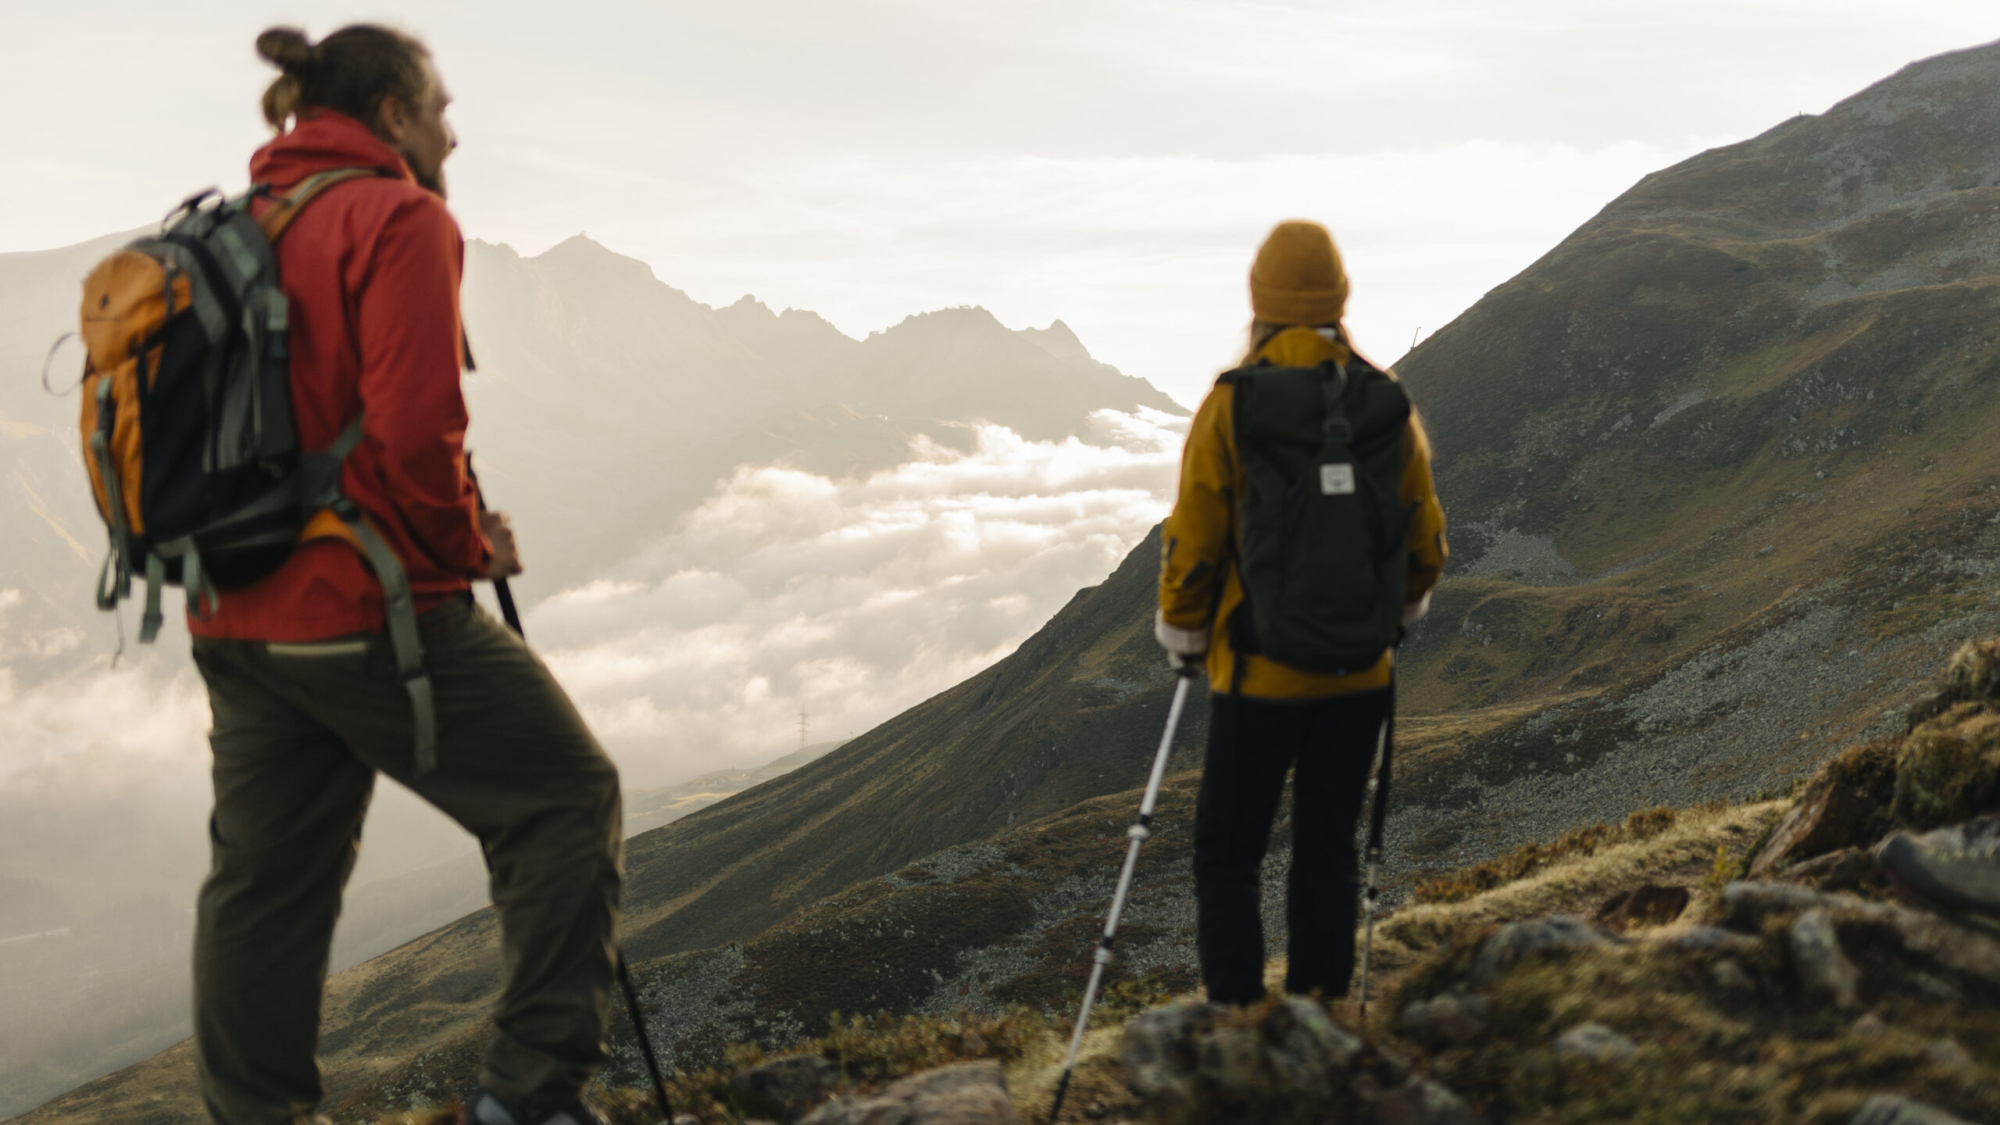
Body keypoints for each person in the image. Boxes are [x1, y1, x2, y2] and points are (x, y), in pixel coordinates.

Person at [186, 26, 622, 1125]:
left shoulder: (241, 226)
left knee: (263, 892)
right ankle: (529, 1099)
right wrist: (470, 545)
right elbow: (414, 434)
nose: (452, 129)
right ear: (391, 115)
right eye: (439, 105)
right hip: (363, 608)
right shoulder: (399, 217)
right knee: (566, 798)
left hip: (231, 613)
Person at [1155, 220, 1448, 1005]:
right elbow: (1423, 534)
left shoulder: (1234, 404)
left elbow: (1196, 534)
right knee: (1328, 848)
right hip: (1361, 674)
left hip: (1259, 674)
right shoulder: (1384, 402)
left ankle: (1239, 1023)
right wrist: (1398, 611)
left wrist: (1182, 628)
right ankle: (1317, 1014)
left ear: (1261, 302)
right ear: (1337, 299)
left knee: (1229, 852)